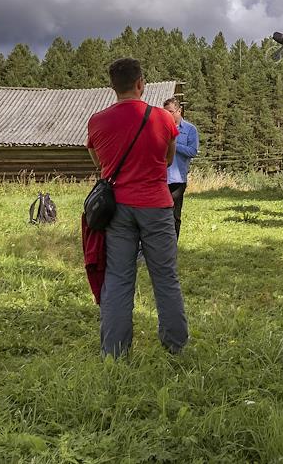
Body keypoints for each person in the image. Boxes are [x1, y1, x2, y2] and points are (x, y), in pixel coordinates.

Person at [87, 58, 188, 357]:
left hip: (117, 208)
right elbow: (169, 159)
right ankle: (176, 345)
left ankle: (115, 351)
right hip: (156, 205)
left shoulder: (97, 120)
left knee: (118, 277)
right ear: (141, 83)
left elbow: (100, 165)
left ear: (112, 86)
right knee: (165, 276)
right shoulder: (163, 118)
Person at [163, 97, 199, 239]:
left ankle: (173, 243)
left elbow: (192, 151)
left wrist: (173, 144)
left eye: (171, 111)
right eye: (165, 112)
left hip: (178, 179)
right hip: (160, 177)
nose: (168, 115)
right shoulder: (159, 128)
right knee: (159, 213)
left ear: (179, 111)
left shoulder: (190, 130)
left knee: (174, 214)